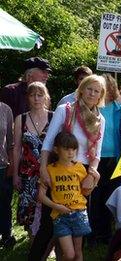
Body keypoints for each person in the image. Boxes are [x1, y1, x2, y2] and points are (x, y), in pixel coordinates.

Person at [34, 75, 104, 260]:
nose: (92, 93)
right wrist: (43, 169)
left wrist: (91, 174)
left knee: (74, 228)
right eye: (89, 88)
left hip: (82, 175)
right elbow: (48, 143)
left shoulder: (100, 120)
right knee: (49, 226)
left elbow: (97, 152)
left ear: (100, 96)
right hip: (58, 169)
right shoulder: (64, 110)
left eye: (96, 91)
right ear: (81, 89)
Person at [37, 132, 94, 261]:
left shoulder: (79, 168)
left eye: (73, 149)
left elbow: (85, 192)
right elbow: (41, 196)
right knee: (69, 255)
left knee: (78, 252)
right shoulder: (50, 170)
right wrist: (57, 207)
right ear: (56, 150)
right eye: (66, 149)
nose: (71, 152)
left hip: (79, 214)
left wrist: (94, 180)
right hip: (60, 217)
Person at [12, 82, 53, 238]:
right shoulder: (20, 119)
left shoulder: (54, 116)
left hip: (48, 171)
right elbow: (16, 149)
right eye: (32, 95)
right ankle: (31, 240)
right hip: (27, 172)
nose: (36, 98)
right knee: (28, 208)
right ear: (27, 97)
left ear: (46, 97)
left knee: (48, 208)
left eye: (40, 94)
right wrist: (15, 174)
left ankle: (47, 241)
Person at [89, 74, 121, 244]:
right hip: (96, 159)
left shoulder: (118, 108)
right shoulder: (94, 107)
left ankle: (106, 233)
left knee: (109, 197)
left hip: (114, 159)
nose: (108, 90)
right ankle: (94, 233)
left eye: (110, 86)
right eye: (105, 87)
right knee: (95, 197)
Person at [0, 101, 14, 248]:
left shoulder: (5, 109)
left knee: (4, 203)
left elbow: (11, 141)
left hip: (2, 165)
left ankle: (6, 235)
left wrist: (12, 162)